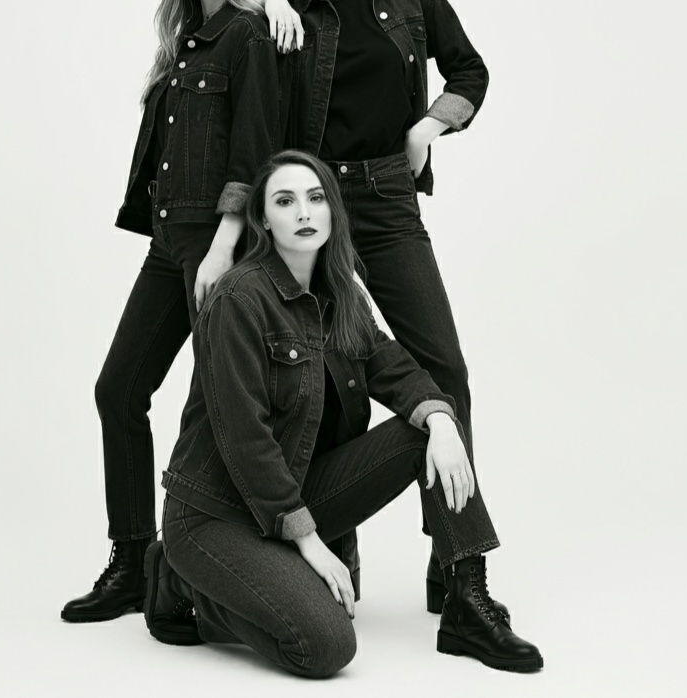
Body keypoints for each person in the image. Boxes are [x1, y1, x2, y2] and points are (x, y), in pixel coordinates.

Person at [144, 150, 543, 676]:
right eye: (284, 201)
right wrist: (308, 542)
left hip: (293, 494)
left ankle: (467, 601)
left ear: (333, 210)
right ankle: (183, 583)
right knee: (326, 645)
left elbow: (393, 368)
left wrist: (442, 421)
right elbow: (246, 441)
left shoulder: (341, 295)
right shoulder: (238, 299)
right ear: (263, 219)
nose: (303, 213)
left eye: (315, 198)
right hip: (217, 513)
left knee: (430, 430)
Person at [264, 0, 492, 610]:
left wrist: (428, 127)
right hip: (317, 205)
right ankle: (335, 553)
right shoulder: (291, 17)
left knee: (443, 370)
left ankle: (458, 568)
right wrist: (270, 4)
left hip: (389, 198)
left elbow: (470, 71)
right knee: (329, 379)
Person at [61, 0, 281, 622]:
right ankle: (132, 560)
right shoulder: (185, 40)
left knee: (215, 412)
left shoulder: (247, 34)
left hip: (218, 242)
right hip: (168, 242)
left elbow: (254, 148)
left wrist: (223, 246)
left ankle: (200, 574)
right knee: (119, 390)